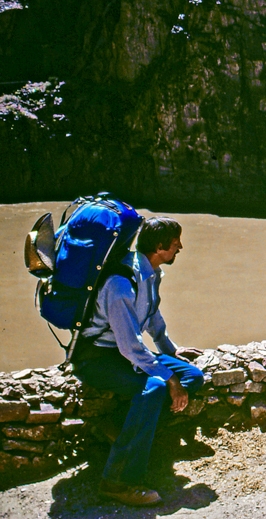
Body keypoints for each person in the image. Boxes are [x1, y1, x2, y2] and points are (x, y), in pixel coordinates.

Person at [72, 216, 204, 506]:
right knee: (155, 388)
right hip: (98, 358)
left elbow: (153, 316)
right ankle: (118, 481)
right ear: (159, 247)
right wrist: (169, 378)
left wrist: (170, 352)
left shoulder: (151, 274)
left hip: (121, 352)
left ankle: (120, 430)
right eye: (175, 243)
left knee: (193, 377)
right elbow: (131, 347)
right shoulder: (121, 285)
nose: (180, 247)